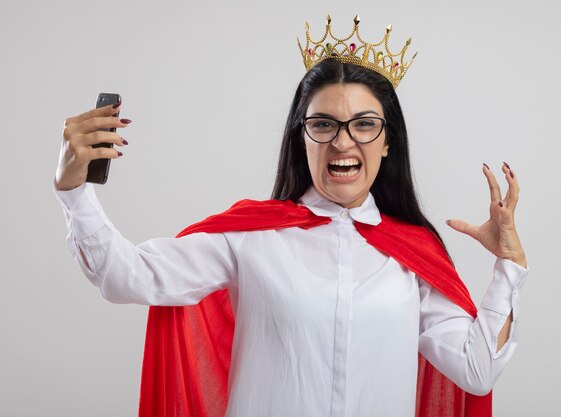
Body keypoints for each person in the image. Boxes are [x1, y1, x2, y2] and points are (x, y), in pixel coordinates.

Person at [54, 15, 528, 417]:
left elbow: (476, 369)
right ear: (302, 138)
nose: (344, 142)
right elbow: (126, 276)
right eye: (323, 124)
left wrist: (508, 265)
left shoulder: (413, 258)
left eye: (365, 124)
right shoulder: (250, 237)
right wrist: (74, 190)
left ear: (388, 142)